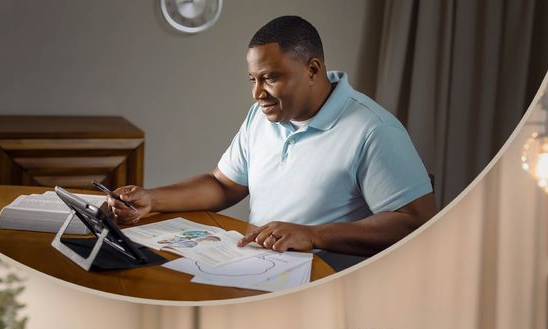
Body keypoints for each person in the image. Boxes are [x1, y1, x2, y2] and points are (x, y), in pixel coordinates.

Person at [109, 16, 436, 257]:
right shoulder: (262, 118)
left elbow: (416, 222)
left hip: (326, 282)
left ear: (312, 70)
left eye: (270, 78)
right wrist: (152, 199)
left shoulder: (373, 129)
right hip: (258, 269)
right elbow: (223, 185)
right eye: (252, 78)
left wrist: (312, 235)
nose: (257, 93)